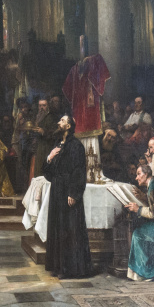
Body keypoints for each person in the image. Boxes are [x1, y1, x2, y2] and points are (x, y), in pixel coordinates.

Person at [43, 114, 93, 279]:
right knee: (58, 228)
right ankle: (58, 266)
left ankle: (70, 269)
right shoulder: (58, 144)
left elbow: (79, 171)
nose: (59, 122)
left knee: (69, 229)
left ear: (69, 126)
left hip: (68, 191)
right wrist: (49, 158)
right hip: (57, 190)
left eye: (62, 121)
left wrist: (74, 193)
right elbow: (48, 173)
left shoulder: (76, 146)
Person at [30, 95, 60, 180]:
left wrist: (43, 132)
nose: (41, 108)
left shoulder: (51, 117)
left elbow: (55, 133)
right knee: (38, 171)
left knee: (45, 171)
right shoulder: (37, 117)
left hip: (48, 148)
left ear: (48, 106)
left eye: (44, 105)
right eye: (40, 106)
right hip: (39, 148)